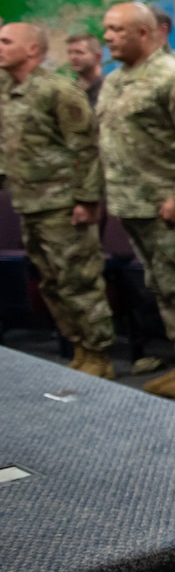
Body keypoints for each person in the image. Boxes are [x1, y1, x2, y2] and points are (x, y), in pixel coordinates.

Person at [96, 2, 175, 397]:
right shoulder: (115, 80)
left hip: (167, 203)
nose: (108, 37)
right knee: (161, 284)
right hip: (131, 203)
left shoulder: (173, 76)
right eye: (107, 29)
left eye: (117, 29)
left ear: (145, 33)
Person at [0, 21, 116, 377]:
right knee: (51, 283)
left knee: (79, 281)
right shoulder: (6, 90)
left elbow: (85, 147)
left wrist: (86, 200)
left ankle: (99, 355)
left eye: (6, 41)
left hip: (63, 204)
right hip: (28, 201)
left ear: (32, 50)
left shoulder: (58, 90)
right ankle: (78, 347)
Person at [64, 31, 104, 106]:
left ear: (97, 56)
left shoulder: (108, 89)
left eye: (79, 52)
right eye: (70, 52)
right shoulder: (68, 91)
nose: (73, 57)